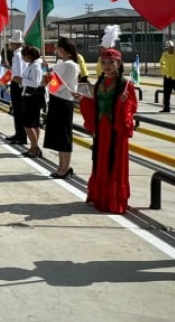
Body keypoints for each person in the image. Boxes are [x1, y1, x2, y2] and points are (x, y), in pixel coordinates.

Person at [79, 45, 138, 214]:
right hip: (102, 129)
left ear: (119, 63)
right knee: (100, 160)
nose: (107, 65)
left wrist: (123, 102)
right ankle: (100, 196)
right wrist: (83, 99)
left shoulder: (125, 84)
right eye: (104, 62)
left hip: (116, 129)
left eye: (111, 62)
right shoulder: (100, 82)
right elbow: (95, 104)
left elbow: (132, 107)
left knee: (114, 161)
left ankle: (113, 200)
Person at [43, 37, 81, 179]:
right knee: (59, 136)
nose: (56, 50)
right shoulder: (61, 64)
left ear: (64, 50)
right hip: (56, 100)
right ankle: (60, 166)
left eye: (58, 48)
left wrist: (48, 77)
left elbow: (54, 85)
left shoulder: (69, 65)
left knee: (64, 136)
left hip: (63, 101)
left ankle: (65, 167)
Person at [19, 45, 45, 158]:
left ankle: (35, 147)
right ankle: (33, 147)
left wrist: (22, 80)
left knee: (28, 124)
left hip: (32, 98)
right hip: (29, 96)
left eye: (23, 56)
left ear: (29, 56)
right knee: (33, 124)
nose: (23, 58)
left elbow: (35, 83)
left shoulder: (36, 67)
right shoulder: (32, 65)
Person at [6, 31, 26, 144]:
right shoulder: (21, 54)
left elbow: (17, 73)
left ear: (15, 43)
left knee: (18, 111)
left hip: (17, 83)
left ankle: (20, 135)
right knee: (18, 111)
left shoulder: (17, 55)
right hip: (21, 83)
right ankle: (19, 133)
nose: (10, 46)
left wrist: (13, 76)